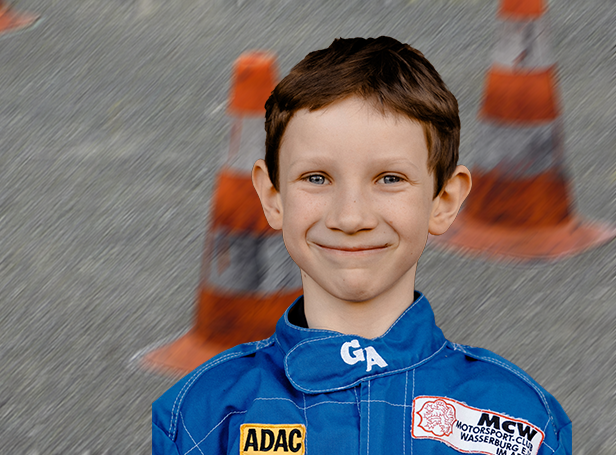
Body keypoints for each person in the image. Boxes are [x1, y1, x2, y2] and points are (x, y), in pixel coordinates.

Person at [151, 36, 571, 455]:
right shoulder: (203, 414)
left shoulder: (521, 419)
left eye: (390, 179)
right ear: (272, 196)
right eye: (317, 178)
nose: (351, 218)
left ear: (444, 200)